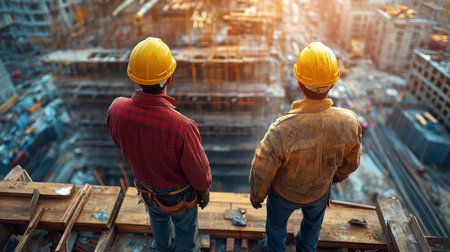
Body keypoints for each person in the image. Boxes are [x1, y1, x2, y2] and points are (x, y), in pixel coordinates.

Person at [249, 42, 362, 252]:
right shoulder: (348, 121)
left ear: (299, 83)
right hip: (318, 193)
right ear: (333, 83)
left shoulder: (282, 129)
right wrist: (333, 178)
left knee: (276, 227)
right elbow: (352, 162)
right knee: (312, 227)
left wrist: (257, 196)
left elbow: (261, 168)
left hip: (284, 195)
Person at [107, 37, 212, 252]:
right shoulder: (182, 127)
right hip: (179, 196)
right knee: (185, 231)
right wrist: (203, 190)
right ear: (169, 79)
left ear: (134, 78)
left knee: (159, 225)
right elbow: (199, 171)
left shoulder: (116, 110)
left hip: (146, 189)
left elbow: (121, 142)